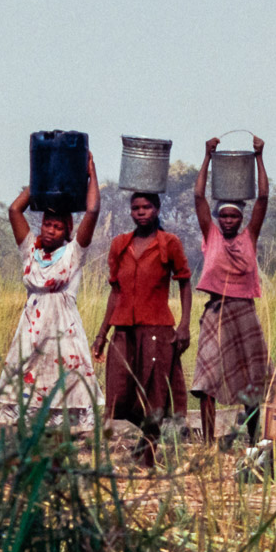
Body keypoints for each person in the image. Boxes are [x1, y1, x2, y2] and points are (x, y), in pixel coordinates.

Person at [0, 153, 104, 429]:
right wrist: (40, 178)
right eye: (47, 224)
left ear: (68, 232)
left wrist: (91, 173)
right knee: (27, 385)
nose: (51, 231)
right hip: (32, 330)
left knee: (66, 382)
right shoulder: (30, 249)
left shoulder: (73, 253)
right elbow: (14, 211)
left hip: (63, 330)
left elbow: (91, 212)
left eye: (58, 227)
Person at [92, 191, 193, 466]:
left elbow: (184, 282)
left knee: (154, 391)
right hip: (123, 331)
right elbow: (116, 292)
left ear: (157, 209)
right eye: (135, 208)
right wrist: (102, 334)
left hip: (157, 329)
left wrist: (184, 324)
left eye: (146, 207)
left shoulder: (169, 243)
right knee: (119, 394)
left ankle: (148, 455)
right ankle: (149, 438)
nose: (141, 212)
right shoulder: (120, 245)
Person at [191, 134, 271, 447]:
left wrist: (259, 157)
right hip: (216, 312)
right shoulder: (210, 234)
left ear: (240, 218)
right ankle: (209, 444)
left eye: (233, 215)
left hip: (245, 313)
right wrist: (207, 156)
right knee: (207, 380)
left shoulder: (249, 236)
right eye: (223, 215)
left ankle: (253, 442)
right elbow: (199, 197)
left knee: (252, 382)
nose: (227, 220)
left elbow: (263, 199)